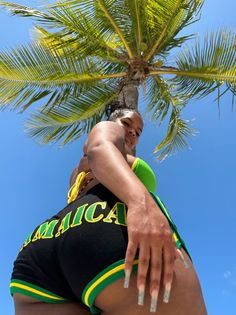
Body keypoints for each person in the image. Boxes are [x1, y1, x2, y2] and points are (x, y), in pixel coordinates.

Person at [11, 108, 207, 315]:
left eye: (138, 132)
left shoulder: (76, 172)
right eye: (127, 123)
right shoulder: (108, 129)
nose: (132, 132)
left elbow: (79, 201)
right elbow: (99, 147)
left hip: (42, 249)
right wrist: (141, 203)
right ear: (113, 121)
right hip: (112, 229)